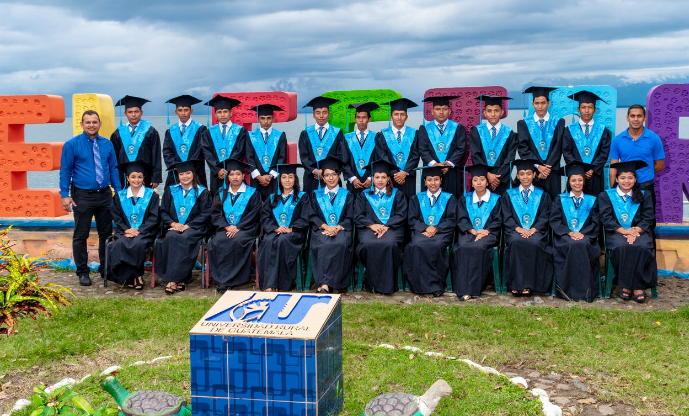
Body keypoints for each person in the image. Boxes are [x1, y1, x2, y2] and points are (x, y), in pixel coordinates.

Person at [59, 110, 121, 286]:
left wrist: (119, 192)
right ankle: (82, 272)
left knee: (106, 234)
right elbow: (65, 171)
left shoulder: (107, 144)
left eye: (95, 122)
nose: (91, 125)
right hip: (82, 196)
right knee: (81, 235)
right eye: (88, 122)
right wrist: (65, 195)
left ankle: (105, 269)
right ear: (81, 124)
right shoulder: (72, 145)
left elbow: (113, 169)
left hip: (104, 195)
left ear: (100, 124)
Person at [598, 160, 657, 303]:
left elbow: (648, 217)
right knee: (622, 246)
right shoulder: (606, 196)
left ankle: (635, 286)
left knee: (642, 246)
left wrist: (634, 231)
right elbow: (606, 219)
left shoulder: (644, 194)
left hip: (640, 231)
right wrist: (625, 232)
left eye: (630, 178)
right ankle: (628, 286)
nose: (626, 181)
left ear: (635, 179)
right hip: (616, 232)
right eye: (623, 178)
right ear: (616, 179)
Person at [154, 160, 212, 295]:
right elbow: (163, 211)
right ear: (178, 176)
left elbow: (206, 213)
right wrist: (173, 224)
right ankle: (182, 278)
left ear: (193, 174)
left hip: (195, 228)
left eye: (188, 173)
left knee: (184, 237)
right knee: (171, 236)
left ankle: (173, 280)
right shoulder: (171, 190)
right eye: (181, 174)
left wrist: (188, 226)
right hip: (175, 227)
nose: (185, 176)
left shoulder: (203, 192)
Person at [207, 159, 263, 292]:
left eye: (238, 174)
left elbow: (255, 214)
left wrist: (238, 227)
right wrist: (227, 226)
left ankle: (234, 278)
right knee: (217, 241)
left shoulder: (253, 193)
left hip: (246, 229)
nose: (235, 177)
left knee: (237, 241)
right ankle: (221, 279)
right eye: (231, 174)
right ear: (228, 176)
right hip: (226, 228)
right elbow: (216, 214)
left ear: (244, 176)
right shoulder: (221, 193)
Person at [354, 159, 408, 294]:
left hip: (391, 228)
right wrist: (372, 225)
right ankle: (371, 283)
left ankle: (387, 285)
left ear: (388, 178)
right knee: (367, 244)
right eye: (377, 177)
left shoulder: (397, 194)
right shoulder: (364, 195)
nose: (380, 180)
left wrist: (386, 225)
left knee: (389, 243)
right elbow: (358, 215)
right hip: (369, 229)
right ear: (372, 178)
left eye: (383, 177)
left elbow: (401, 215)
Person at [549, 161, 601, 302]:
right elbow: (555, 221)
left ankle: (580, 292)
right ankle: (573, 292)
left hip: (587, 238)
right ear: (569, 181)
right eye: (573, 180)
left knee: (580, 244)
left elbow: (596, 222)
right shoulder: (560, 199)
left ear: (584, 181)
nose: (577, 183)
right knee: (574, 244)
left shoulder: (592, 200)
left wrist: (583, 234)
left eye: (580, 180)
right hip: (565, 238)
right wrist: (570, 233)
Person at [501, 159, 553, 296]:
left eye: (529, 173)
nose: (525, 177)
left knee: (534, 242)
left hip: (535, 231)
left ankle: (529, 285)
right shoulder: (509, 195)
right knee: (515, 241)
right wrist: (519, 229)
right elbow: (506, 216)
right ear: (517, 175)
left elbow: (545, 215)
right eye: (522, 174)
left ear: (534, 175)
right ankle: (516, 284)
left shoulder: (542, 195)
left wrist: (533, 230)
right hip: (515, 231)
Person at [404, 165, 457, 297]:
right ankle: (419, 285)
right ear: (424, 182)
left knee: (436, 245)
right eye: (429, 180)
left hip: (442, 233)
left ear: (441, 180)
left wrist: (436, 229)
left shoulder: (450, 198)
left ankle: (436, 285)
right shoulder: (416, 198)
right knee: (416, 245)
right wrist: (425, 228)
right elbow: (412, 219)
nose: (433, 183)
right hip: (421, 232)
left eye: (436, 179)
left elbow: (452, 219)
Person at [451, 164, 502, 301]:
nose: (479, 183)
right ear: (471, 183)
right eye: (475, 180)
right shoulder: (464, 199)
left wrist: (486, 231)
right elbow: (461, 218)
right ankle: (462, 288)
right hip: (468, 232)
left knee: (478, 247)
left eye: (482, 179)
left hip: (488, 234)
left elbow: (498, 219)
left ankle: (473, 288)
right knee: (462, 247)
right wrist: (473, 231)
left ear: (487, 182)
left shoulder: (496, 199)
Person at [257, 163, 310, 292]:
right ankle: (269, 284)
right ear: (279, 179)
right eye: (284, 177)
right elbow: (265, 217)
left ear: (295, 179)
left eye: (290, 177)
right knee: (268, 242)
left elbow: (305, 217)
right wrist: (275, 228)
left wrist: (292, 228)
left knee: (282, 241)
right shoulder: (272, 198)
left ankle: (281, 284)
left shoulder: (303, 197)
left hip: (294, 233)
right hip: (275, 232)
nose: (287, 180)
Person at [107, 161, 159, 289]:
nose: (137, 180)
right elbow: (116, 216)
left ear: (144, 178)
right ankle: (129, 276)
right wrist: (127, 229)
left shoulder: (151, 195)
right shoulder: (120, 196)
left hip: (145, 232)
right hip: (125, 231)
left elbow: (154, 217)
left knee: (138, 243)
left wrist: (139, 230)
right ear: (127, 178)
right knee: (120, 244)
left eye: (140, 177)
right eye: (133, 177)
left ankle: (136, 275)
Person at [308, 156, 355, 293]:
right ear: (322, 178)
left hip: (341, 230)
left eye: (334, 174)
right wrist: (326, 227)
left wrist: (337, 228)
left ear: (339, 175)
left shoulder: (348, 195)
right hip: (322, 229)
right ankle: (326, 284)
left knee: (338, 244)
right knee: (324, 243)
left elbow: (350, 216)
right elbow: (312, 215)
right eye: (327, 175)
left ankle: (326, 284)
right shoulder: (315, 195)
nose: (331, 178)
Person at [609, 104, 665, 206]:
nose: (636, 119)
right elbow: (613, 168)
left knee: (648, 220)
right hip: (624, 188)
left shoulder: (654, 138)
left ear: (644, 118)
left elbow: (660, 165)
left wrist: (643, 174)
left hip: (646, 187)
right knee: (625, 220)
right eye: (632, 116)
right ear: (627, 118)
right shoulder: (617, 140)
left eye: (639, 116)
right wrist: (614, 191)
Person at [517, 86, 566, 200]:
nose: (540, 106)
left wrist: (547, 168)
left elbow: (559, 147)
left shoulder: (558, 122)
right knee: (534, 203)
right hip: (534, 172)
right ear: (533, 103)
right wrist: (538, 166)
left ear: (548, 103)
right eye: (537, 103)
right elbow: (523, 148)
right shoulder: (524, 124)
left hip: (552, 172)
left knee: (553, 202)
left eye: (543, 103)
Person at [562, 90, 612, 197]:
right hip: (576, 177)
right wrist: (579, 170)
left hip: (595, 176)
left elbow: (604, 153)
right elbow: (566, 152)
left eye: (590, 107)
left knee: (595, 204)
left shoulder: (603, 131)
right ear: (578, 110)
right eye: (583, 107)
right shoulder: (569, 130)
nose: (587, 111)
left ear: (595, 110)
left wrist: (592, 169)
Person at [418, 95, 467, 196]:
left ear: (449, 111)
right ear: (432, 112)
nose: (441, 112)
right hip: (431, 172)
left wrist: (448, 164)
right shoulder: (424, 129)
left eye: (444, 109)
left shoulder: (458, 128)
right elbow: (423, 150)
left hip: (451, 172)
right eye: (438, 109)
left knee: (452, 201)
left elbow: (461, 149)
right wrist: (435, 165)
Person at [110, 95, 162, 189]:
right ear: (125, 113)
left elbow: (156, 154)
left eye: (136, 111)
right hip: (124, 176)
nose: (133, 115)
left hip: (145, 175)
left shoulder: (150, 131)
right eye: (130, 112)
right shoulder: (118, 133)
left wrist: (156, 177)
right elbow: (115, 156)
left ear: (141, 113)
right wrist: (116, 178)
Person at [469, 95, 517, 195]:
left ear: (502, 112)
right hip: (481, 180)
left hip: (503, 180)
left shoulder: (509, 133)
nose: (493, 114)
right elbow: (475, 155)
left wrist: (498, 177)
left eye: (496, 110)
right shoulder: (476, 131)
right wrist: (486, 174)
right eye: (489, 111)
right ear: (485, 113)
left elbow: (510, 158)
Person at [374, 98, 421, 199]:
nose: (399, 117)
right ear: (391, 117)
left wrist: (405, 172)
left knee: (409, 205)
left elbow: (416, 155)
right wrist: (395, 174)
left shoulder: (414, 134)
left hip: (408, 177)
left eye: (402, 114)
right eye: (396, 114)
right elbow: (382, 156)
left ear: (406, 117)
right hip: (391, 178)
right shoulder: (382, 135)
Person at [298, 96, 345, 193]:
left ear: (329, 114)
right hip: (311, 178)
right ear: (313, 115)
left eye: (324, 112)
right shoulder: (306, 133)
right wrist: (314, 170)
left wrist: (326, 172)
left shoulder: (337, 133)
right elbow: (304, 157)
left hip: (331, 177)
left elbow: (341, 155)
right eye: (318, 113)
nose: (321, 116)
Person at [162, 95, 209, 188]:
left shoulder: (200, 129)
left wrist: (188, 168)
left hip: (196, 172)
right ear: (176, 112)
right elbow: (167, 151)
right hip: (176, 172)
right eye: (180, 110)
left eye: (186, 110)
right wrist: (177, 167)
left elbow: (201, 151)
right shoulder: (171, 130)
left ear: (191, 111)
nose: (183, 113)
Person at [203, 95, 247, 194]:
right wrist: (218, 170)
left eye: (225, 111)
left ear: (231, 113)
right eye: (219, 112)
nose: (222, 115)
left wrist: (228, 170)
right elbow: (207, 153)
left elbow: (240, 151)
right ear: (215, 115)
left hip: (234, 173)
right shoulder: (209, 132)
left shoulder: (240, 131)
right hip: (216, 174)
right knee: (216, 199)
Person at [246, 104, 288, 200]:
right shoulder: (250, 136)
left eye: (269, 118)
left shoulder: (280, 135)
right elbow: (249, 157)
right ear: (258, 119)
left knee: (273, 204)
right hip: (256, 179)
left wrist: (270, 176)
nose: (265, 121)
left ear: (273, 118)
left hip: (273, 179)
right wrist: (258, 176)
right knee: (256, 205)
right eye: (262, 118)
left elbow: (282, 158)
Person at [342, 102, 379, 197]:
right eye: (358, 117)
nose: (361, 120)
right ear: (355, 119)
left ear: (369, 119)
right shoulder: (346, 138)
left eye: (364, 117)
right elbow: (343, 161)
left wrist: (371, 178)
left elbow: (378, 160)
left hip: (371, 183)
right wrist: (353, 178)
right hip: (353, 184)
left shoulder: (376, 137)